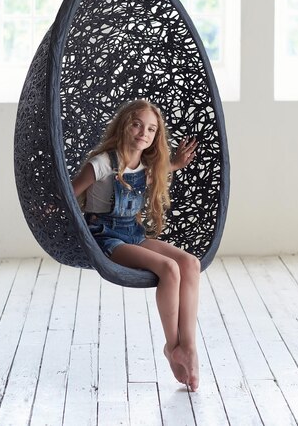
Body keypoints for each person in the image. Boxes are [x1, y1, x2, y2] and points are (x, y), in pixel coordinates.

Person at [71, 99, 201, 391]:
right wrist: (49, 210)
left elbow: (161, 171)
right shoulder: (102, 163)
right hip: (105, 236)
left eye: (152, 129)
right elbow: (70, 193)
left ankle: (188, 345)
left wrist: (177, 163)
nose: (144, 132)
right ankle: (173, 346)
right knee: (169, 269)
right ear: (124, 126)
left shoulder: (145, 165)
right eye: (137, 124)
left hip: (133, 232)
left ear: (156, 137)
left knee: (190, 264)